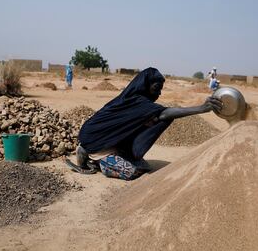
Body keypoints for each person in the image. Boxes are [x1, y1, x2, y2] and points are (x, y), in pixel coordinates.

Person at [76, 67, 222, 180]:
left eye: (160, 90)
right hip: (95, 143)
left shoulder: (134, 100)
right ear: (145, 86)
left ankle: (96, 155)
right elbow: (165, 113)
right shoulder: (137, 101)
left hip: (103, 140)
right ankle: (94, 158)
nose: (158, 93)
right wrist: (201, 108)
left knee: (144, 163)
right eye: (156, 88)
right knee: (133, 172)